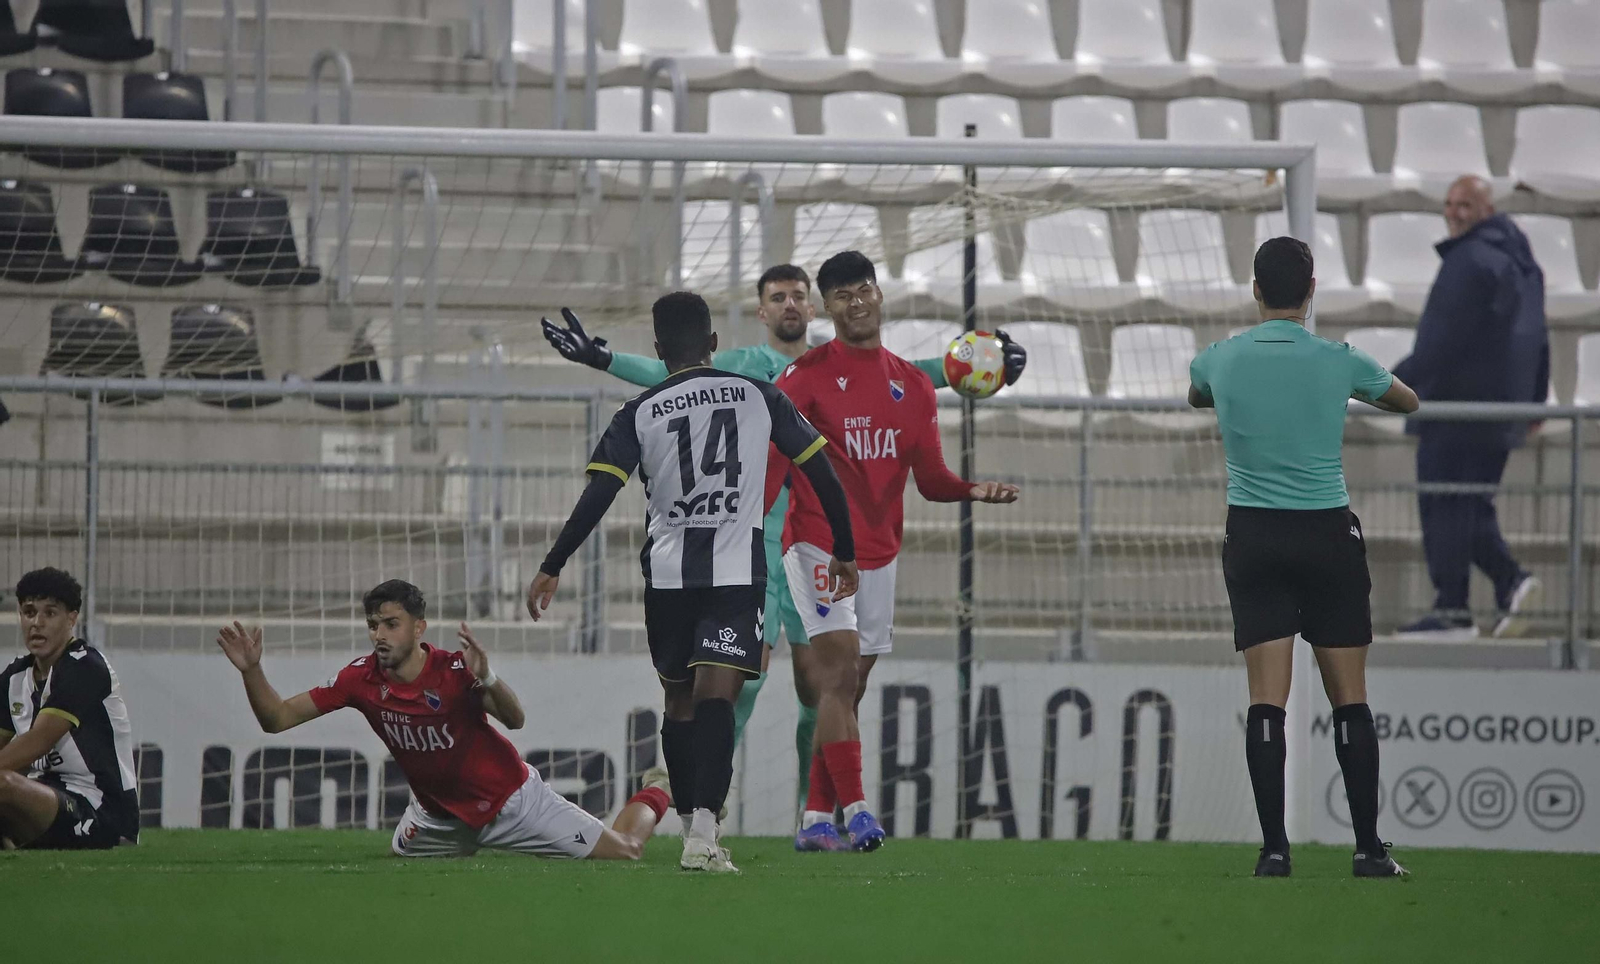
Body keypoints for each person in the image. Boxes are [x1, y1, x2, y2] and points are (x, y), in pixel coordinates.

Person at [542, 265, 1028, 809]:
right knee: (740, 679)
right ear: (762, 311)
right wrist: (603, 358)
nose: (790, 304)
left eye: (799, 295)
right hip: (752, 542)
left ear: (813, 309)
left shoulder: (834, 366)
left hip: (812, 539)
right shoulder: (742, 367)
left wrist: (986, 364)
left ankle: (811, 811)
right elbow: (671, 374)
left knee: (818, 691)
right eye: (779, 297)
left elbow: (908, 375)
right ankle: (710, 802)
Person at [528, 290, 859, 873]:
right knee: (718, 697)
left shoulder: (639, 411)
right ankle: (701, 834)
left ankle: (693, 829)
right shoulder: (761, 396)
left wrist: (553, 563)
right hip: (735, 574)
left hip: (668, 577)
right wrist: (846, 551)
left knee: (679, 698)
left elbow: (599, 494)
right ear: (712, 344)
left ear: (658, 350)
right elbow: (820, 469)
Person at [771, 251, 1020, 854]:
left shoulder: (912, 386)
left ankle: (813, 819)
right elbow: (773, 469)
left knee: (849, 686)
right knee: (835, 673)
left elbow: (930, 479)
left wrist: (971, 489)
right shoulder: (802, 379)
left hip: (880, 553)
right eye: (841, 295)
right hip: (819, 545)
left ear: (880, 296)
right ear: (825, 309)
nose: (856, 302)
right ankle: (857, 811)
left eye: (864, 290)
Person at [1189, 236, 1419, 878]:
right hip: (1325, 535)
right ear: (1311, 290)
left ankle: (1273, 850)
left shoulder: (1221, 358)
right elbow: (1407, 400)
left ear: (1256, 290)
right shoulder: (1338, 359)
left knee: (1267, 700)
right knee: (1349, 697)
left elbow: (1197, 393)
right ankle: (1370, 849)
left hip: (1254, 536)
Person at [216, 579, 673, 860]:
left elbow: (515, 719)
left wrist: (488, 677)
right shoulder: (359, 679)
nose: (379, 634)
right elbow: (275, 719)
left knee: (626, 852)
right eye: (373, 624)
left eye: (391, 624)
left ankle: (659, 786)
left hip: (512, 804)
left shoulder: (455, 671)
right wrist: (252, 671)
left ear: (419, 628)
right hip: (436, 820)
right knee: (397, 872)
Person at [1392, 175, 1550, 641]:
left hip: (1455, 409)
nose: (1453, 212)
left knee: (1446, 505)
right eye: (1448, 203)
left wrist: (1386, 382)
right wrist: (1535, 400)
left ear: (1486, 209)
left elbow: (1442, 340)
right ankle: (1486, 595)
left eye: (1465, 204)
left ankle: (1472, 600)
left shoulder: (1469, 262)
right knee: (1468, 506)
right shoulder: (1522, 263)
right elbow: (1537, 337)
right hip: (1498, 412)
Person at [0, 567, 138, 850]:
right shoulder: (14, 677)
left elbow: (38, 741)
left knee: (4, 784)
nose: (36, 623)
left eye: (49, 613)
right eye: (29, 612)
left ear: (71, 619)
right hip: (48, 796)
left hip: (100, 810)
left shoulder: (86, 667)